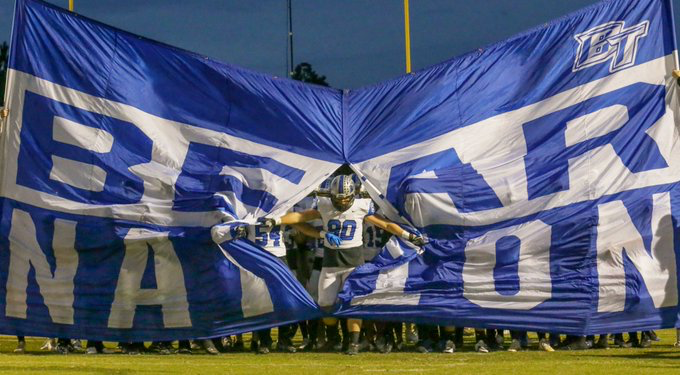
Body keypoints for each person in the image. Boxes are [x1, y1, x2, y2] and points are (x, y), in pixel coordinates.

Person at [261, 174, 426, 355]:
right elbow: (301, 216)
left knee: (353, 302)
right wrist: (276, 220)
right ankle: (335, 339)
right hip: (330, 263)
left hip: (353, 263)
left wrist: (409, 236)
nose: (343, 202)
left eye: (347, 198)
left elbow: (385, 224)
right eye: (339, 198)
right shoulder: (324, 205)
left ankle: (353, 342)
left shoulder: (361, 206)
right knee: (325, 303)